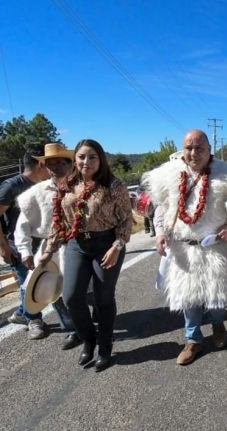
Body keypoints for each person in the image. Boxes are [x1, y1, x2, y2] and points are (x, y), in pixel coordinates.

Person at [143, 129, 227, 366]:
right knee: (188, 299)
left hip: (215, 248)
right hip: (183, 249)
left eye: (199, 148)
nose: (193, 153)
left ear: (209, 149)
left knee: (216, 298)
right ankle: (192, 339)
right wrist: (160, 233)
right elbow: (161, 208)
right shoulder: (169, 175)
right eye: (189, 148)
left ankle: (218, 324)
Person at [39, 139, 133, 372]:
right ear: (75, 159)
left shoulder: (113, 185)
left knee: (103, 298)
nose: (86, 162)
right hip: (76, 244)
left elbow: (125, 219)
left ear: (100, 160)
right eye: (81, 157)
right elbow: (59, 221)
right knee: (71, 297)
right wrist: (48, 250)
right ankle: (88, 339)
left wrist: (117, 246)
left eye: (92, 157)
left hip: (107, 244)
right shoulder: (66, 185)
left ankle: (104, 345)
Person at [14, 143, 81, 348]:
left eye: (62, 162)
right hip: (50, 251)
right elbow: (22, 225)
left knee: (86, 291)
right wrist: (25, 250)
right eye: (51, 163)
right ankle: (73, 330)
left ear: (71, 164)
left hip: (81, 246)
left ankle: (94, 325)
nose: (57, 167)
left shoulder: (83, 187)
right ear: (45, 166)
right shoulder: (35, 193)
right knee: (55, 293)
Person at [1, 146, 50, 337]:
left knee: (41, 282)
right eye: (50, 164)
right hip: (19, 245)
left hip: (40, 244)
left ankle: (23, 312)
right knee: (27, 283)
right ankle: (34, 321)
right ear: (40, 164)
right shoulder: (12, 186)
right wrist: (4, 247)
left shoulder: (44, 184)